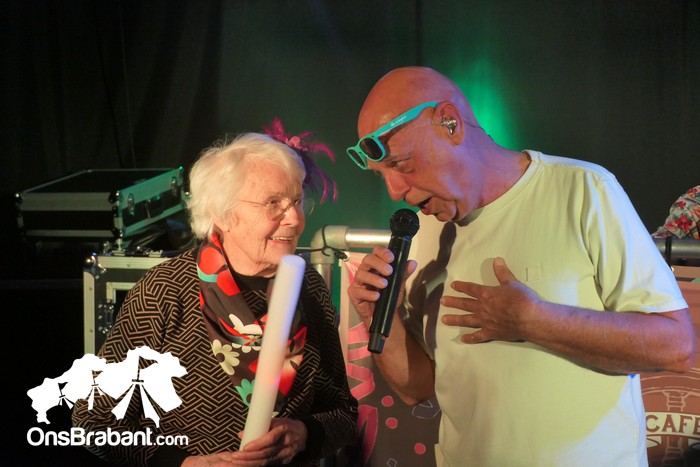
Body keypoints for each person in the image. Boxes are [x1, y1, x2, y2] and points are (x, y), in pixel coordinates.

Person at [346, 66, 696, 466]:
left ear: (450, 123)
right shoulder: (426, 231)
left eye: (402, 164)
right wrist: (381, 319)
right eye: (382, 176)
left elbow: (676, 346)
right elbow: (418, 387)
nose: (395, 191)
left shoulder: (583, 189)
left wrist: (535, 321)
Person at [72, 127, 357, 466]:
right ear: (222, 214)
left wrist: (304, 434)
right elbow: (94, 422)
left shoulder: (309, 287)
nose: (295, 219)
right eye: (273, 204)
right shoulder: (166, 290)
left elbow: (343, 414)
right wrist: (182, 463)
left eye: (296, 202)